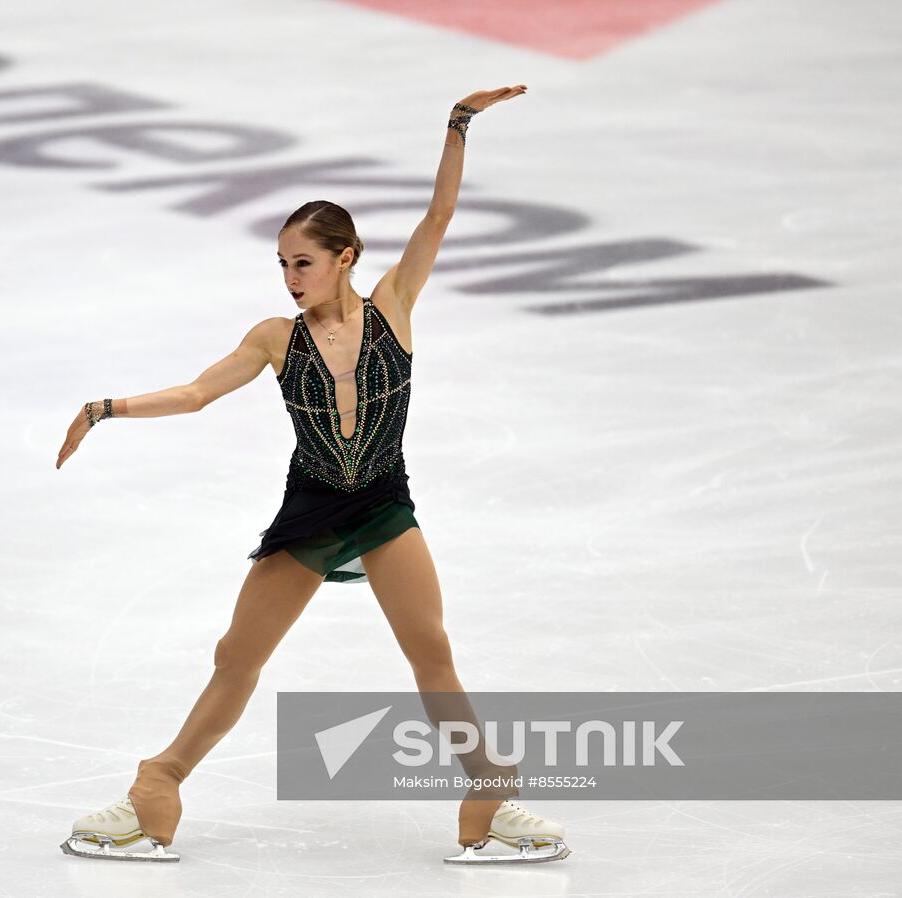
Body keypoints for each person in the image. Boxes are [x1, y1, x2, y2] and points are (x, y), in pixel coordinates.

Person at [56, 85, 569, 865]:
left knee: (430, 648)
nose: (291, 278)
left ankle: (488, 800)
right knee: (238, 656)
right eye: (283, 264)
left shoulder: (394, 304)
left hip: (383, 504)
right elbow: (197, 394)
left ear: (345, 259)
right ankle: (154, 792)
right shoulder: (273, 338)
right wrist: (103, 409)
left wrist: (457, 127)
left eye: (304, 262)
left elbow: (437, 219)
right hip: (311, 513)